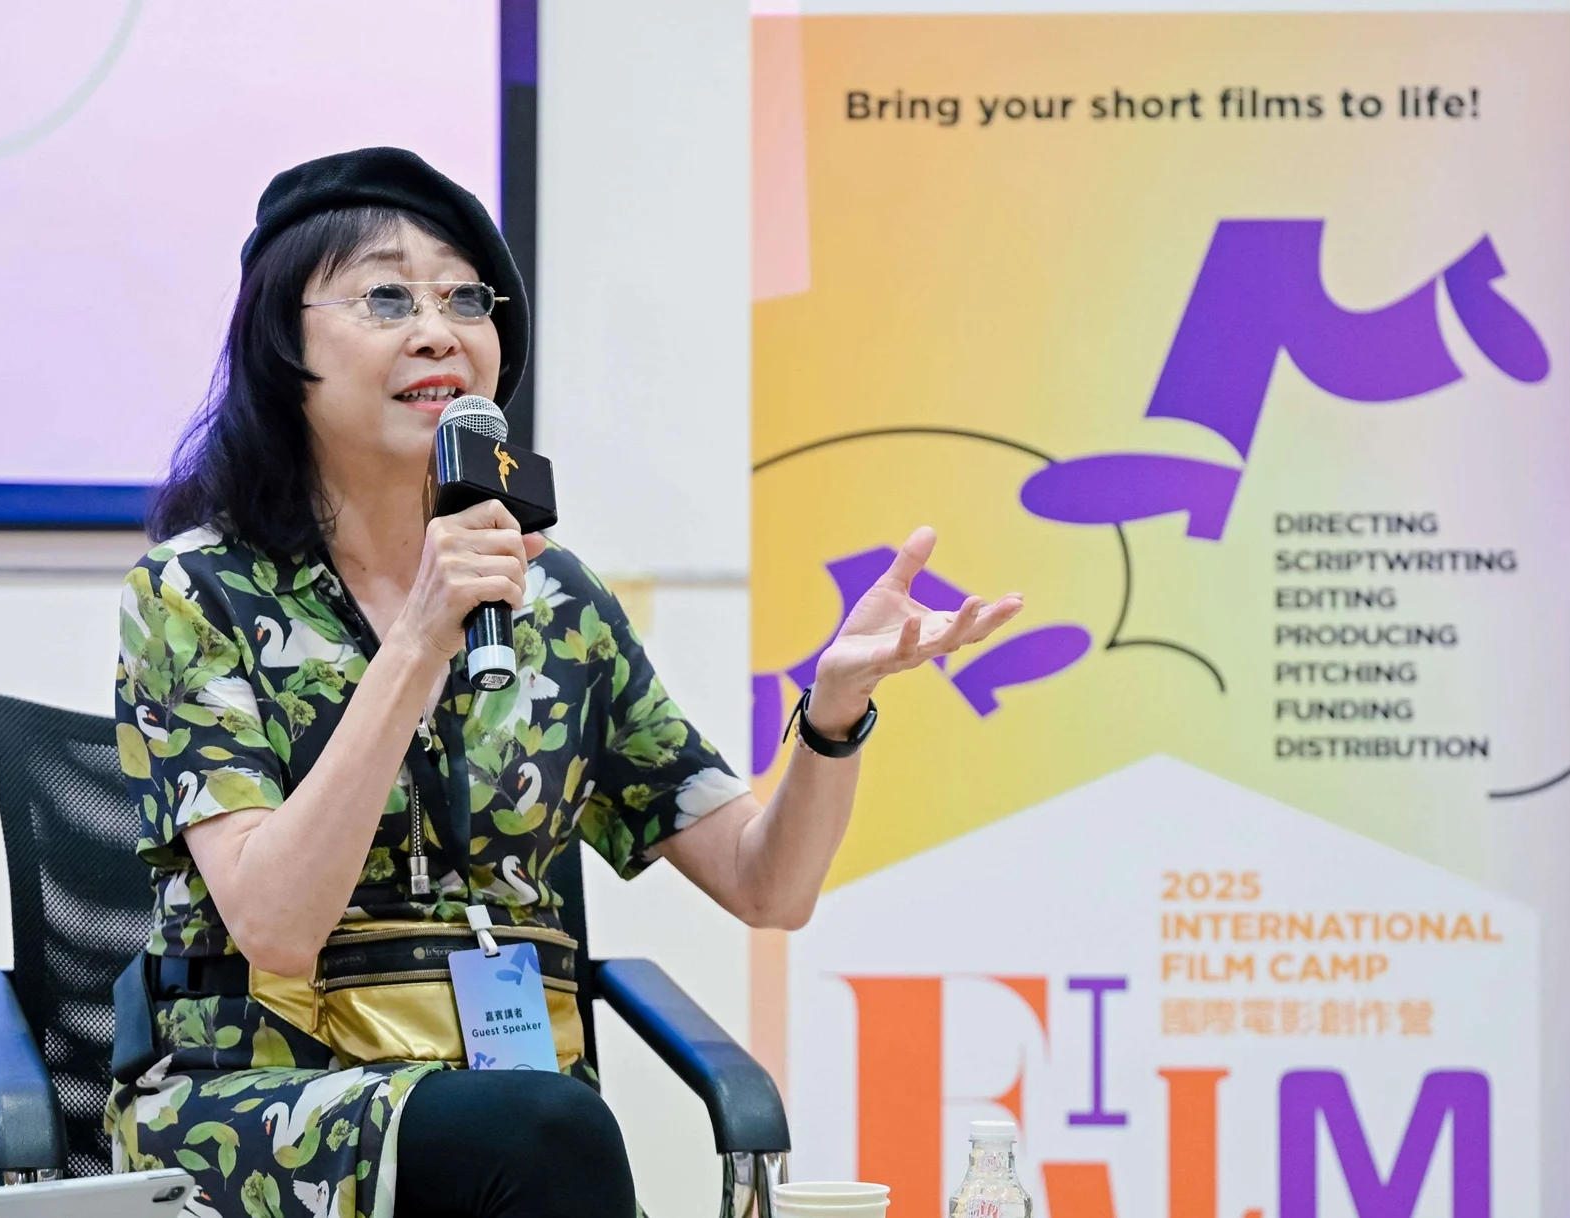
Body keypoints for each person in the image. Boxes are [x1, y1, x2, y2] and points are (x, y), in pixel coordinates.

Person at [107, 147, 1021, 1218]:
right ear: (282, 345)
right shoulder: (195, 591)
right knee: (544, 1131)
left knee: (541, 1127)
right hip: (261, 1102)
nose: (438, 330)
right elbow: (274, 924)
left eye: (465, 300)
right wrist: (420, 640)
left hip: (514, 1109)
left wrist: (833, 712)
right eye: (387, 298)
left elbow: (767, 886)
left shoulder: (553, 600)